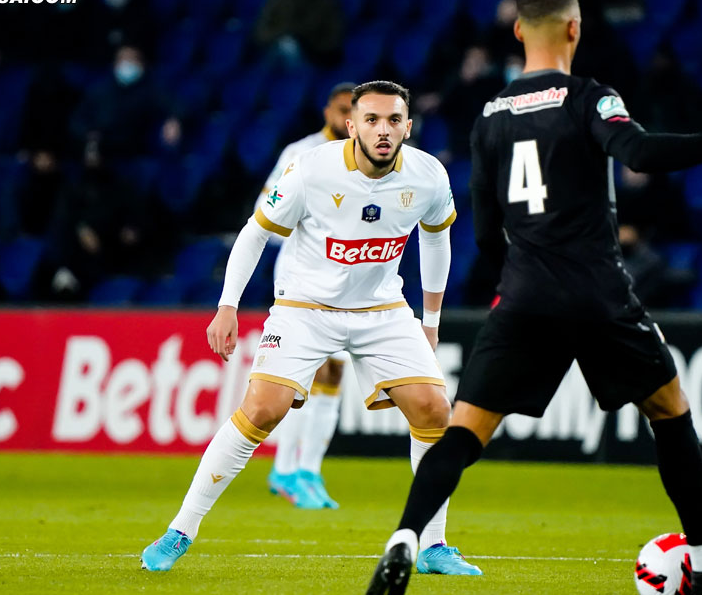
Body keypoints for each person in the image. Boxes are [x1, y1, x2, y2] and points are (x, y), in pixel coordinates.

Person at [367, 0, 702, 595]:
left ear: (516, 32)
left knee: (462, 432)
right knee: (669, 411)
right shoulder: (590, 97)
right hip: (597, 290)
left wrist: (523, 274)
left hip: (525, 294)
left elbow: (483, 233)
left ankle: (403, 538)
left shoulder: (489, 117)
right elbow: (637, 153)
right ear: (575, 30)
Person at [141, 81, 481, 577]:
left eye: (393, 121)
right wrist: (227, 306)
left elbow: (437, 240)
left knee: (434, 409)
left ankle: (433, 545)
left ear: (408, 126)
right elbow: (255, 232)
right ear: (351, 125)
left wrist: (430, 321)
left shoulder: (428, 175)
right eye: (371, 120)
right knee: (261, 410)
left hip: (382, 309)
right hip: (306, 308)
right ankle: (180, 530)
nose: (382, 130)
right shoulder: (311, 170)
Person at [259, 82, 356, 510]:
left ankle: (309, 470)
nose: (346, 120)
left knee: (333, 375)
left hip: (344, 278)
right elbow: (267, 210)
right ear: (327, 111)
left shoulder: (366, 160)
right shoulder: (300, 154)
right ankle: (284, 468)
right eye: (341, 110)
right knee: (304, 373)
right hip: (301, 274)